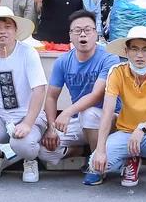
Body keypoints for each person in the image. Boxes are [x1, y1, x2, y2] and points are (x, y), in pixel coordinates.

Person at [87, 26, 146, 200]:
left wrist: (143, 128)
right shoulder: (116, 71)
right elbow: (107, 112)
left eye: (145, 49)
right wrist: (100, 150)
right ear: (126, 51)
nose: (140, 55)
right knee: (96, 165)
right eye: (134, 49)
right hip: (126, 134)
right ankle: (131, 159)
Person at [0, 7, 47, 183]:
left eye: (7, 27)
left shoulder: (28, 52)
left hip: (29, 115)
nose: (2, 31)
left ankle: (30, 161)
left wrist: (28, 123)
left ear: (15, 30)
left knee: (22, 143)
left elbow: (39, 89)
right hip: (1, 116)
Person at [40, 11, 119, 171]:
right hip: (80, 120)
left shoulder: (109, 58)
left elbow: (97, 94)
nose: (83, 34)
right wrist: (51, 127)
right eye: (77, 30)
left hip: (110, 119)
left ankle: (97, 169)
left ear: (96, 34)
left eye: (87, 30)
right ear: (70, 35)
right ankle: (83, 151)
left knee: (89, 113)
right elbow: (51, 97)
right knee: (44, 149)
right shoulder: (62, 61)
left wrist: (67, 112)